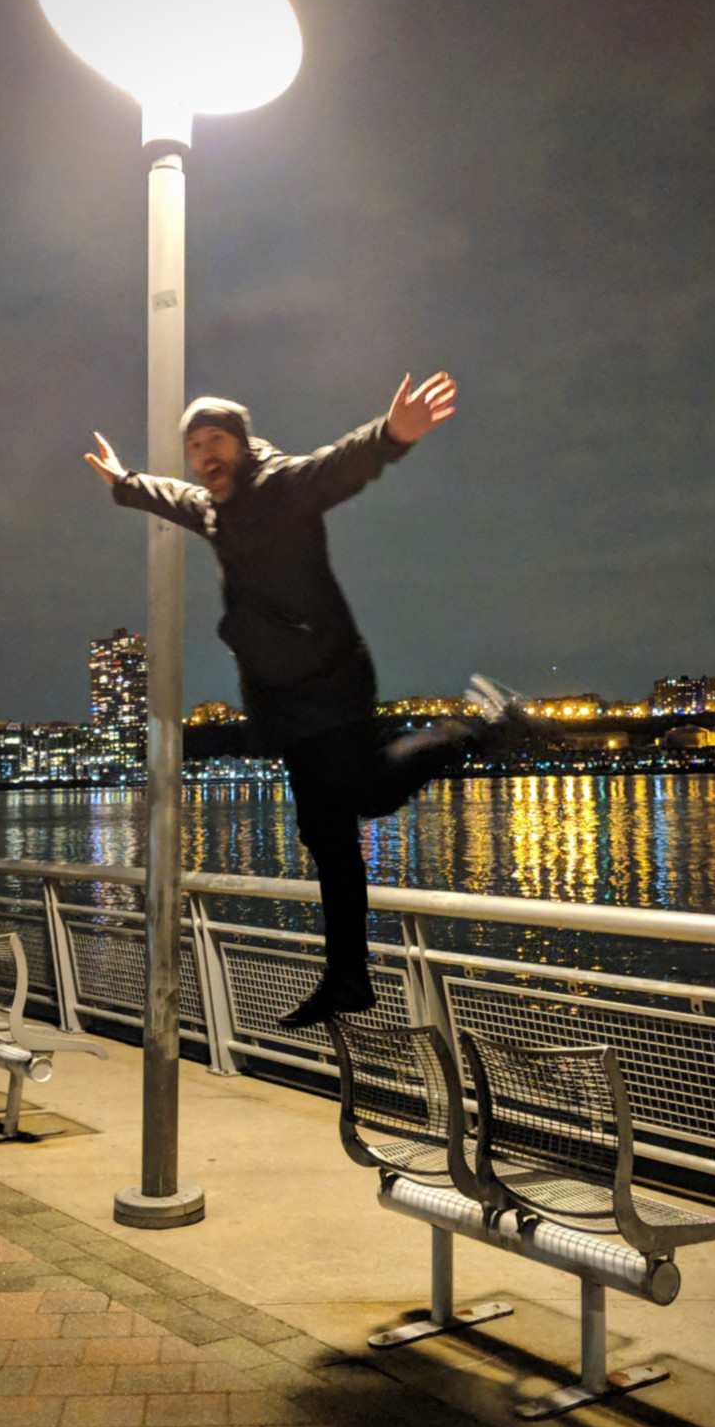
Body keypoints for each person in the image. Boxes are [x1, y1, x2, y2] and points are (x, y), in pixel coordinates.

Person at [86, 372, 515, 1026]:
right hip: (283, 700)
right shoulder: (215, 506)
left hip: (329, 678)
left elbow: (335, 469)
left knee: (367, 797)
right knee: (325, 836)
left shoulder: (280, 485)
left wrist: (392, 434)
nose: (204, 454)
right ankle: (348, 977)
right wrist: (124, 483)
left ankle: (477, 727)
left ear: (242, 441)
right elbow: (174, 498)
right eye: (195, 445)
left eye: (216, 439)